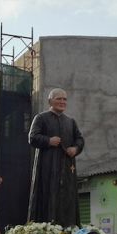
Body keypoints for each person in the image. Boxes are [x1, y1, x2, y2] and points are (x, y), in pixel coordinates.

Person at [27, 88, 85, 226]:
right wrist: (48, 141)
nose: (62, 102)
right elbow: (32, 137)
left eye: (65, 99)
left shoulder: (70, 122)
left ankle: (69, 228)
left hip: (67, 168)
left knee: (67, 197)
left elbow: (80, 139)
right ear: (50, 101)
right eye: (59, 98)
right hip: (47, 167)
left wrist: (75, 148)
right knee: (47, 196)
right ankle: (46, 229)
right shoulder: (41, 118)